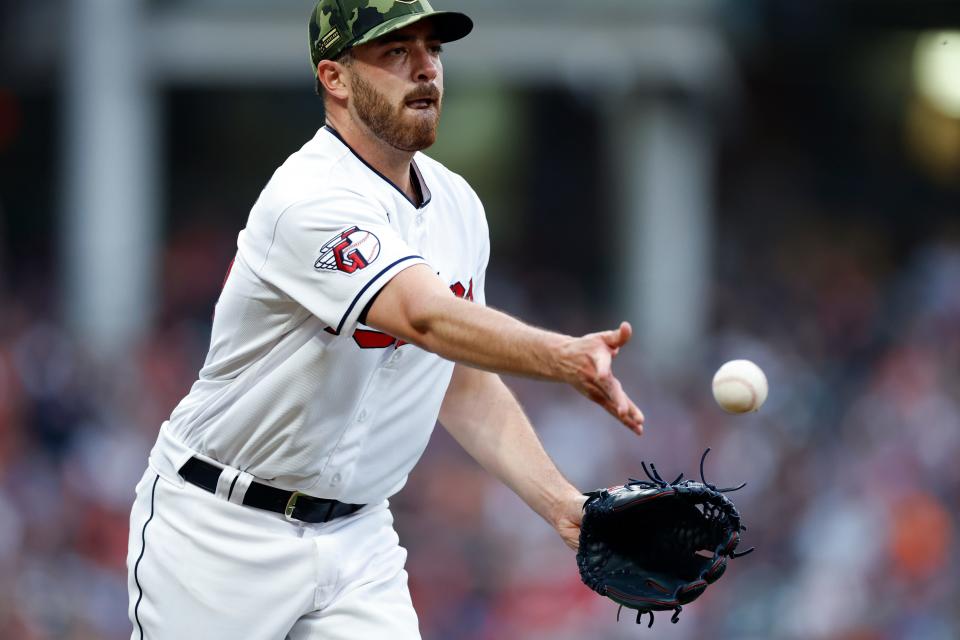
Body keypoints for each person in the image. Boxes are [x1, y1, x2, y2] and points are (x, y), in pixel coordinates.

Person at [126, 1, 644, 638]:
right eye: (396, 52)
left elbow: (457, 376)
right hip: (219, 533)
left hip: (357, 536)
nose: (425, 69)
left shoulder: (457, 205)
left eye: (433, 50)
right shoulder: (307, 197)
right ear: (335, 78)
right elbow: (423, 319)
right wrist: (561, 358)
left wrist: (565, 506)